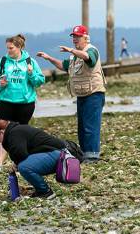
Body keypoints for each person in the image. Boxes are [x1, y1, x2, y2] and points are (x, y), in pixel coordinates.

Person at [37, 25, 107, 162]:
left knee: (90, 125)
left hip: (94, 93)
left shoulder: (91, 50)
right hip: (82, 94)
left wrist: (71, 50)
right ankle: (84, 154)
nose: (75, 39)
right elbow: (63, 66)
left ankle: (92, 155)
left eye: (78, 36)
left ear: (85, 38)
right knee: (82, 126)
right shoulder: (74, 57)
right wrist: (49, 58)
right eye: (74, 37)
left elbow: (88, 58)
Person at [0, 34, 46, 169]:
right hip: (5, 102)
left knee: (20, 133)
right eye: (7, 48)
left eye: (11, 48)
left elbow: (40, 81)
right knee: (1, 132)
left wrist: (32, 74)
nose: (8, 51)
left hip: (25, 104)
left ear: (19, 47)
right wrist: (0, 83)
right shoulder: (2, 62)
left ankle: (18, 163)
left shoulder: (30, 62)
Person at [0, 119, 76, 199]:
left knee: (24, 167)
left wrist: (16, 164)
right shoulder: (16, 130)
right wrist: (16, 163)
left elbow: (21, 153)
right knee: (24, 165)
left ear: (1, 132)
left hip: (61, 155)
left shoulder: (14, 133)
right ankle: (41, 189)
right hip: (58, 154)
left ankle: (45, 191)